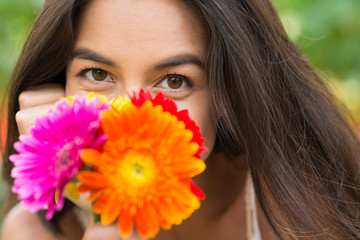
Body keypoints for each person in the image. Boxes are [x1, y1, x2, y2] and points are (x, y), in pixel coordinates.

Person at [1, 0, 360, 239]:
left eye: (174, 82)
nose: (130, 115)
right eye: (96, 74)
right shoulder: (31, 232)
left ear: (230, 94)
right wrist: (105, 212)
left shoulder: (301, 209)